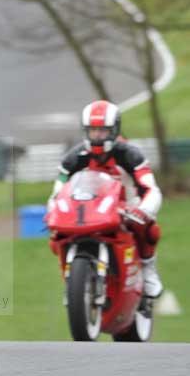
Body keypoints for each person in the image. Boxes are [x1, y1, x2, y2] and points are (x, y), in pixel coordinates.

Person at [48, 100, 163, 298]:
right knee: (55, 238)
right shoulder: (73, 158)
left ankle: (148, 269)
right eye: (93, 131)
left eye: (102, 131)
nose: (97, 136)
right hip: (87, 211)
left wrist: (143, 210)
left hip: (125, 210)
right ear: (85, 131)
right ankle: (71, 279)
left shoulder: (131, 155)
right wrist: (53, 211)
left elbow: (151, 188)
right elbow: (57, 193)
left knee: (150, 230)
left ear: (114, 129)